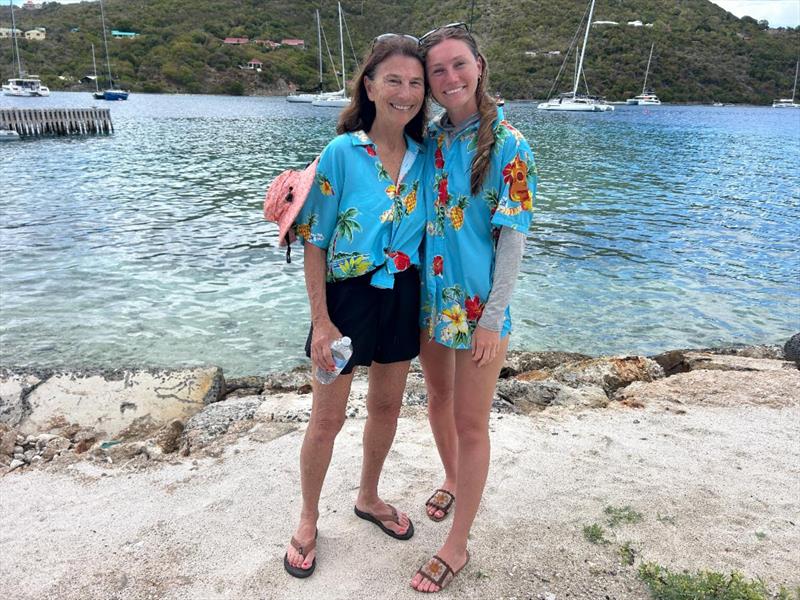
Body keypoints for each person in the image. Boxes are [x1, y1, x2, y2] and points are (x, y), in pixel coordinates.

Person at [283, 35, 429, 579]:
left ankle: (368, 496)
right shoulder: (342, 153)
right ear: (369, 86)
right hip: (346, 299)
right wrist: (321, 320)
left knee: (387, 408)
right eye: (393, 80)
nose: (405, 92)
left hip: (403, 293)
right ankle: (307, 517)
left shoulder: (427, 155)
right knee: (326, 419)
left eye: (415, 83)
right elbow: (315, 238)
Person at [411, 24, 537, 592]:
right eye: (438, 70)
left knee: (471, 422)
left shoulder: (511, 143)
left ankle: (457, 544)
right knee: (437, 399)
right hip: (431, 302)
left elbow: (513, 239)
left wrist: (491, 319)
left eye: (458, 65)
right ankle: (453, 479)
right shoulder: (433, 141)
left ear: (479, 66)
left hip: (480, 311)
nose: (450, 78)